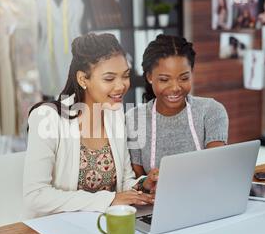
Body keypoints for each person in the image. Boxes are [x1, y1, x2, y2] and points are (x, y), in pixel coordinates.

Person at [22, 33, 156, 219]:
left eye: (125, 76)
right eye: (109, 79)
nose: (121, 86)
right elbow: (35, 196)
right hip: (56, 229)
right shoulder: (47, 118)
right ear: (83, 79)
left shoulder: (114, 114)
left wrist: (143, 185)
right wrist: (108, 200)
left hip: (104, 226)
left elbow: (125, 181)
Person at [126, 35, 229, 192]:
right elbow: (136, 180)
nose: (175, 87)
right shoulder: (134, 119)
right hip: (156, 205)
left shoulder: (211, 111)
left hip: (204, 197)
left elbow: (215, 169)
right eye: (164, 79)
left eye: (183, 78)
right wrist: (147, 182)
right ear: (149, 77)